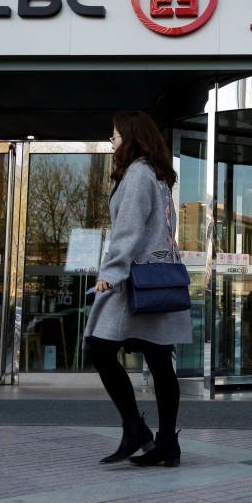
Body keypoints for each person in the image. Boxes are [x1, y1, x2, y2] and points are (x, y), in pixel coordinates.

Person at [85, 111, 192, 468]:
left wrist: (110, 273)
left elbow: (128, 231)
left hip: (135, 281)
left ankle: (136, 429)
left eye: (114, 137)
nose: (111, 143)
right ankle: (166, 444)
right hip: (158, 279)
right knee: (161, 361)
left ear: (130, 138)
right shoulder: (159, 178)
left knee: (98, 349)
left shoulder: (137, 175)